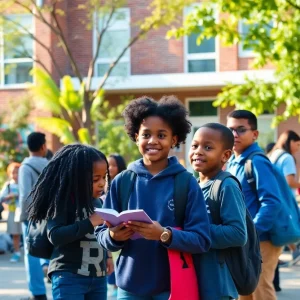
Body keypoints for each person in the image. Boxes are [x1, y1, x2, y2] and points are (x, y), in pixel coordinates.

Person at [95, 95, 211, 299]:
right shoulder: (123, 181)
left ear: (174, 139)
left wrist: (164, 234)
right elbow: (102, 233)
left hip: (172, 286)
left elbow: (202, 240)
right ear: (136, 137)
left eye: (161, 135)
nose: (153, 141)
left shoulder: (186, 183)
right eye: (146, 134)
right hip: (129, 288)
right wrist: (113, 236)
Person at [27, 144, 114, 300]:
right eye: (95, 179)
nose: (102, 183)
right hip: (69, 277)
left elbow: (101, 234)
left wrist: (108, 257)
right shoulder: (63, 203)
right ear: (77, 178)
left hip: (98, 278)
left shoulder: (99, 203)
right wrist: (89, 222)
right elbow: (55, 235)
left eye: (104, 177)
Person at [226, 110, 282, 300]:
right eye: (231, 129)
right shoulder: (233, 161)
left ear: (255, 134)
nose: (234, 135)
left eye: (241, 130)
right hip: (245, 240)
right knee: (245, 293)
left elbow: (272, 202)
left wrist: (252, 233)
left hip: (261, 240)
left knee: (261, 292)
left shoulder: (256, 161)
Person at [189, 123, 247, 300]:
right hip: (194, 278)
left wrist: (197, 233)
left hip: (217, 286)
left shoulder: (226, 186)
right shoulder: (193, 186)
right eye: (195, 145)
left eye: (207, 147)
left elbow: (238, 233)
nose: (198, 151)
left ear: (225, 155)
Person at [19, 132, 49, 300]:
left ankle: (38, 293)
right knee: (48, 247)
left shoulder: (25, 167)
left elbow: (24, 196)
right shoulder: (51, 165)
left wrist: (27, 215)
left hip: (31, 216)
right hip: (49, 214)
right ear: (43, 146)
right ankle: (47, 266)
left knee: (31, 253)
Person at [107, 154, 127, 297]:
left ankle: (116, 284)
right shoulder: (104, 184)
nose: (110, 168)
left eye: (113, 165)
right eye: (108, 165)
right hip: (111, 231)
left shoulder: (125, 183)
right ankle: (113, 284)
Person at [0, 162, 22, 262]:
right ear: (9, 173)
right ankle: (16, 252)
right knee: (15, 234)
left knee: (25, 234)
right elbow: (1, 197)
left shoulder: (23, 184)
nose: (15, 175)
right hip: (13, 212)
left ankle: (27, 251)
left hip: (23, 211)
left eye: (18, 172)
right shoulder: (8, 185)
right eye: (13, 172)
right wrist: (8, 197)